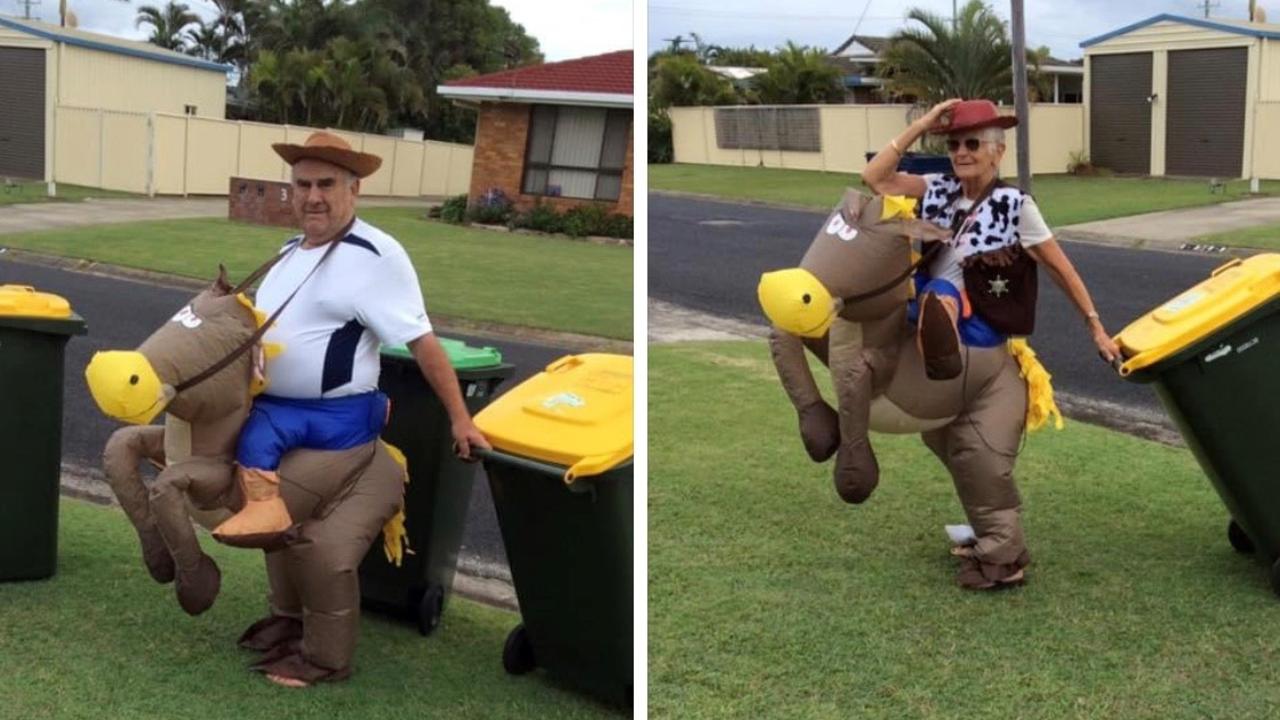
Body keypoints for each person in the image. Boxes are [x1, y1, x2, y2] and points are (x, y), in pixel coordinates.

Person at [225, 131, 489, 686]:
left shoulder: (376, 255)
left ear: (354, 189)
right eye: (302, 185)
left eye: (326, 184)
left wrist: (461, 418)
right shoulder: (287, 252)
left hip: (338, 430)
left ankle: (324, 657)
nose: (312, 196)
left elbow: (422, 341)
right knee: (268, 513)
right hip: (275, 418)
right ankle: (287, 618)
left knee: (285, 516)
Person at [862, 98, 1121, 379]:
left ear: (998, 153)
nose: (961, 153)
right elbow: (875, 178)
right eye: (953, 145)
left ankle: (941, 368)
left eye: (972, 144)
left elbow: (1061, 268)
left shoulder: (1014, 205)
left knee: (938, 293)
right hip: (928, 296)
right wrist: (921, 125)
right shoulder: (937, 187)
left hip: (979, 316)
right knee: (882, 292)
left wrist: (1096, 328)